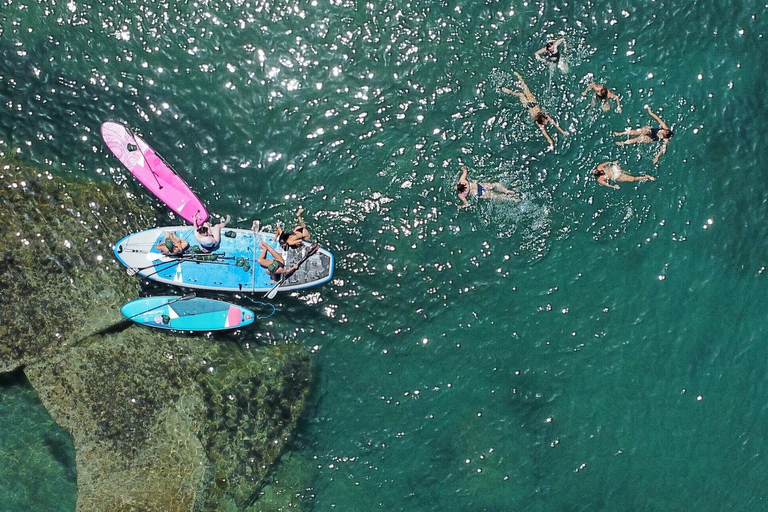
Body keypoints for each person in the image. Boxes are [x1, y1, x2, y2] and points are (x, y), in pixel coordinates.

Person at [501, 72, 568, 149]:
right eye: (545, 122)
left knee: (523, 92)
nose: (546, 123)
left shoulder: (545, 117)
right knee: (522, 93)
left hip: (532, 104)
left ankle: (517, 78)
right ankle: (511, 87)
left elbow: (555, 125)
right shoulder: (540, 123)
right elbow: (546, 134)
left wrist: (562, 132)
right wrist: (552, 143)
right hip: (530, 105)